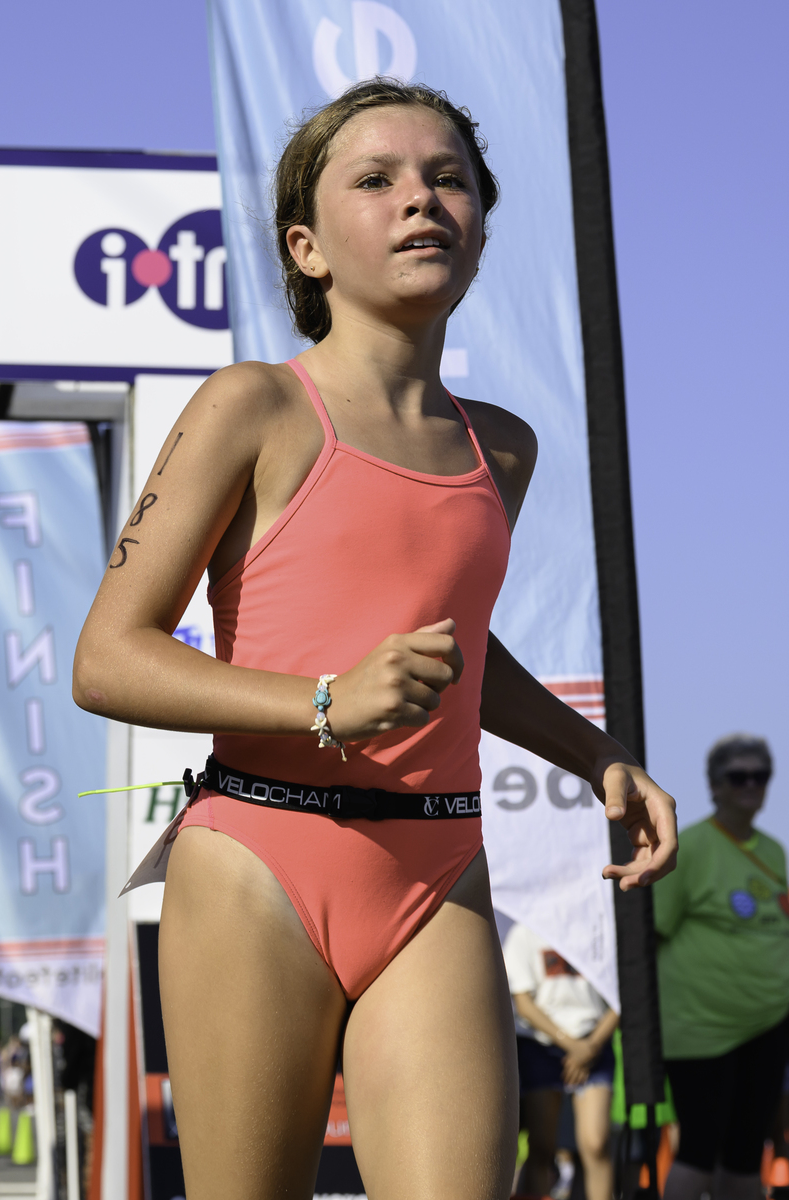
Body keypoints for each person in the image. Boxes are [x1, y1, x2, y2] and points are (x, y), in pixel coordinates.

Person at [72, 78, 678, 1200]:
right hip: (260, 859)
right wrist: (320, 702)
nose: (421, 200)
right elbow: (107, 657)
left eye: (448, 179)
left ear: (482, 229)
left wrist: (597, 756)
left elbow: (462, 658)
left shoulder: (503, 448)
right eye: (379, 179)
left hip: (438, 868)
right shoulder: (253, 405)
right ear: (306, 247)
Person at [656, 734, 789, 1200]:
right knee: (697, 1150)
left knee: (746, 1153)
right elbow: (650, 936)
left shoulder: (774, 851)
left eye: (761, 775)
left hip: (769, 1024)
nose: (751, 785)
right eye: (739, 776)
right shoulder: (689, 847)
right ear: (714, 786)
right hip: (702, 1031)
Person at [504, 921, 617, 1200]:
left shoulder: (600, 927)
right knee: (542, 1145)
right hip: (541, 1046)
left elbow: (622, 994)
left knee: (596, 1143)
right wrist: (570, 1044)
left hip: (594, 1044)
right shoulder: (524, 931)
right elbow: (523, 1003)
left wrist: (589, 1046)